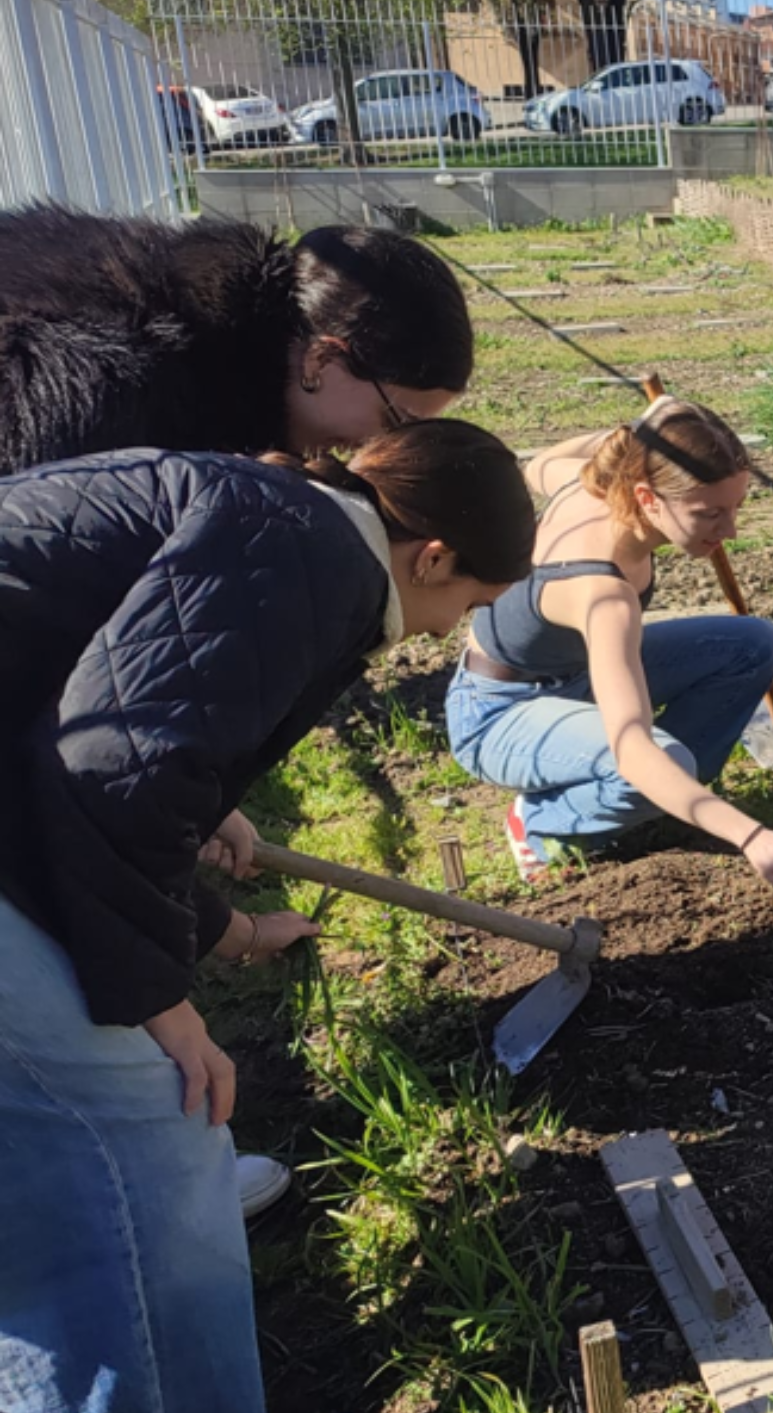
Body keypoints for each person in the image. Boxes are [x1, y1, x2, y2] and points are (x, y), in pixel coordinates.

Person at [0, 423, 536, 1413]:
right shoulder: (312, 555)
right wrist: (163, 999)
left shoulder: (283, 514)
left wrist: (219, 909)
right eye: (468, 604)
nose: (442, 632)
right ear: (434, 556)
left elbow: (114, 709)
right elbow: (112, 775)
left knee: (60, 1199)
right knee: (145, 1149)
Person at [445, 397, 773, 897]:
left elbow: (537, 466)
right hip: (498, 712)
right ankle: (543, 822)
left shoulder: (595, 483)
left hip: (572, 675)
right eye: (709, 513)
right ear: (647, 498)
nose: (729, 530)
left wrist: (633, 436)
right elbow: (633, 748)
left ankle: (675, 800)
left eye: (735, 508)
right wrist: (751, 836)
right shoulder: (603, 593)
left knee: (753, 644)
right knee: (655, 763)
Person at [0, 206, 473, 473]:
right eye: (394, 420)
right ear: (321, 359)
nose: (375, 447)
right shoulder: (114, 385)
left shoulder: (200, 322)